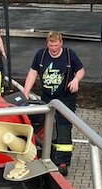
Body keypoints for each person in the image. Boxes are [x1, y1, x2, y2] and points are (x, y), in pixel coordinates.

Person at [22, 31, 85, 175]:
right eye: (51, 45)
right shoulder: (41, 55)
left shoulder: (70, 55)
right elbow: (33, 73)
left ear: (61, 43)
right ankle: (47, 154)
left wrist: (76, 80)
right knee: (46, 126)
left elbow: (81, 70)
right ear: (47, 44)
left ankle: (63, 160)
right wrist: (26, 92)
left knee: (63, 127)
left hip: (66, 98)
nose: (54, 48)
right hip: (47, 98)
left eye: (56, 45)